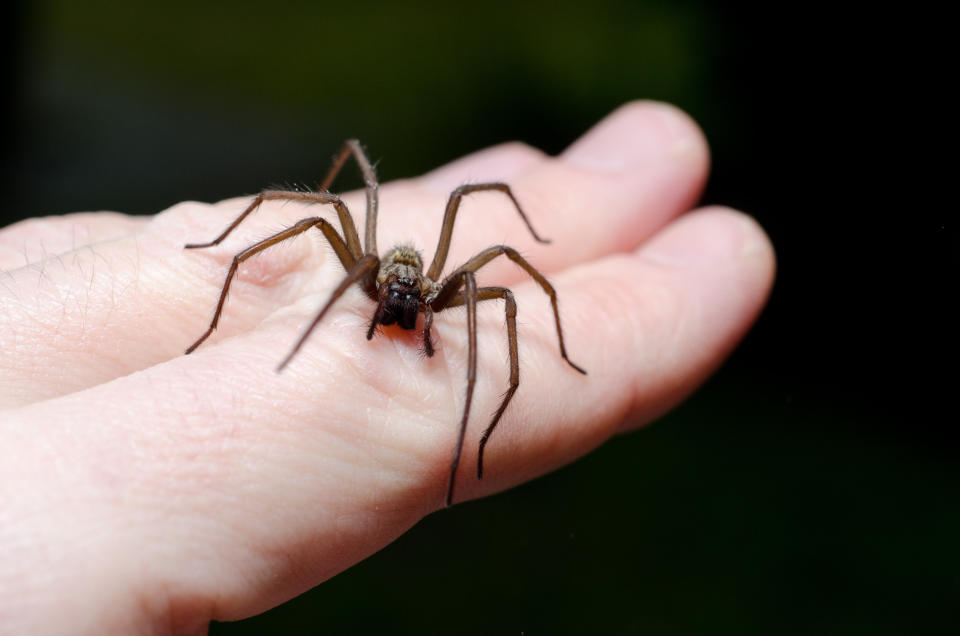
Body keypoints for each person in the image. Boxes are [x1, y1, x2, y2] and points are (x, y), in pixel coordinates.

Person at [0, 101, 774, 632]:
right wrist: (251, 309)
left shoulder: (437, 289)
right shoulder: (371, 275)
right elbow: (316, 210)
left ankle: (481, 426)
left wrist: (482, 432)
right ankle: (223, 275)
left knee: (502, 278)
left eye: (407, 300)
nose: (400, 305)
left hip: (436, 278)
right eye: (390, 297)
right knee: (327, 206)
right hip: (371, 257)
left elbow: (507, 276)